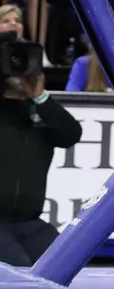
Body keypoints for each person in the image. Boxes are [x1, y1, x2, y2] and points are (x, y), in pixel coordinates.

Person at [0, 46, 82, 265]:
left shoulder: (40, 115)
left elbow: (72, 134)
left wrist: (40, 97)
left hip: (30, 223)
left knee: (66, 264)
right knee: (18, 270)